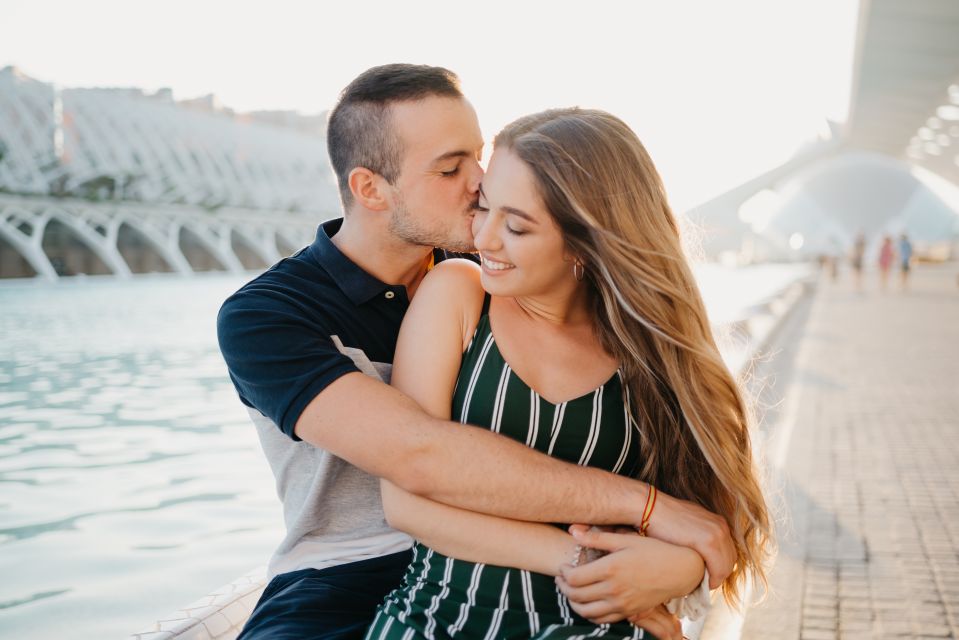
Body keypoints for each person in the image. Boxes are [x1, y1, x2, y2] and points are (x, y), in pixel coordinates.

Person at [217, 65, 735, 640]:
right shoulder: (269, 315)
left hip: (521, 561)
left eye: (478, 155)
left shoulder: (498, 278)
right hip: (342, 576)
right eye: (450, 167)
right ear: (370, 189)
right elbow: (421, 457)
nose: (480, 180)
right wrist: (646, 511)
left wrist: (677, 561)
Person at [366, 109, 771, 639]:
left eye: (516, 226)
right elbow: (404, 503)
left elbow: (717, 521)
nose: (484, 238)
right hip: (439, 620)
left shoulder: (649, 350)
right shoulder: (459, 295)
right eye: (484, 207)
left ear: (585, 244)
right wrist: (582, 559)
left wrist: (685, 568)